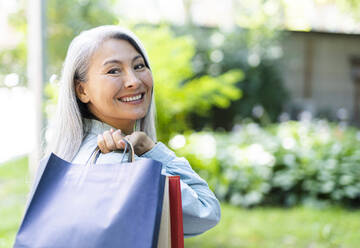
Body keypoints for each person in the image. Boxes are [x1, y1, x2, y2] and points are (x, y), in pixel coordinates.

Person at [44, 25, 220, 237]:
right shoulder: (121, 167)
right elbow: (206, 211)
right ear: (82, 90)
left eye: (138, 66)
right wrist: (153, 151)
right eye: (113, 70)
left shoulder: (70, 156)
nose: (134, 81)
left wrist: (144, 145)